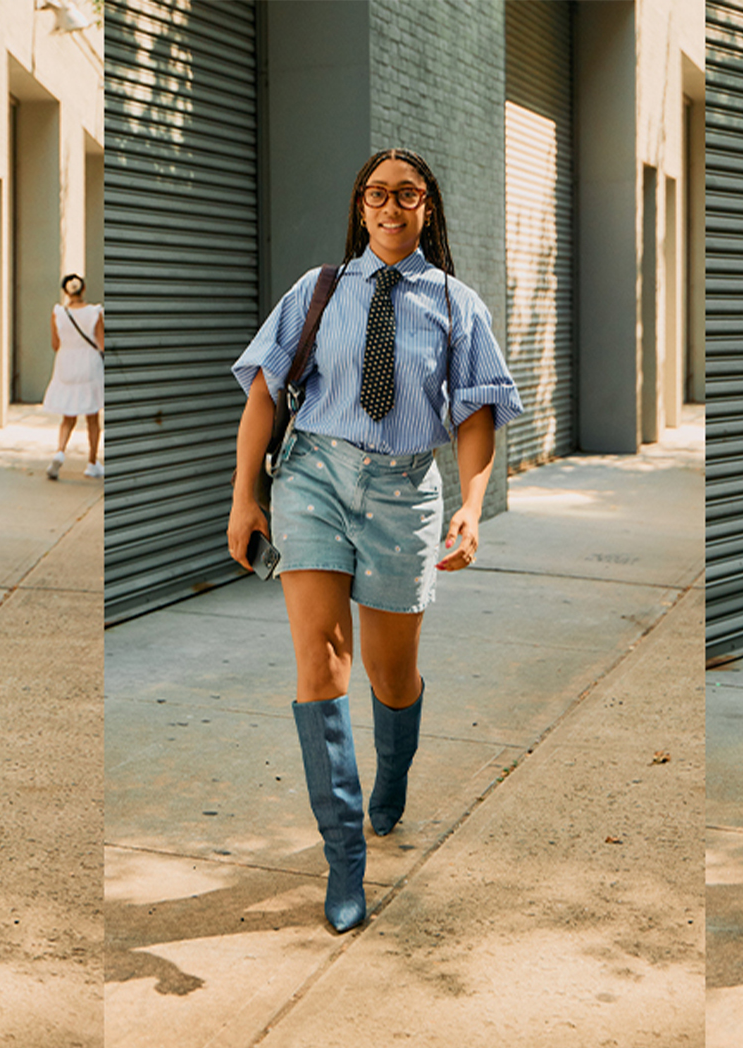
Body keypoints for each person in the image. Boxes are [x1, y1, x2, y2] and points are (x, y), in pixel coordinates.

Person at [225, 149, 523, 932]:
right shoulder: (318, 289)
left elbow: (476, 413)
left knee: (393, 676)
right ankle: (344, 861)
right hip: (313, 478)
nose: (391, 208)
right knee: (321, 663)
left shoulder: (458, 306)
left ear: (428, 206)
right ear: (360, 207)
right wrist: (244, 499)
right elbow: (264, 392)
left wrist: (470, 505)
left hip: (404, 493)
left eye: (407, 194)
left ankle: (391, 773)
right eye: (376, 195)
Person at [44, 273, 104, 479]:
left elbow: (55, 344)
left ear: (65, 291)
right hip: (89, 364)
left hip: (66, 364)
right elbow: (101, 343)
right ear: (83, 289)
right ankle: (92, 462)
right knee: (93, 416)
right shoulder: (95, 312)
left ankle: (60, 451)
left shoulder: (58, 313)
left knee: (68, 416)